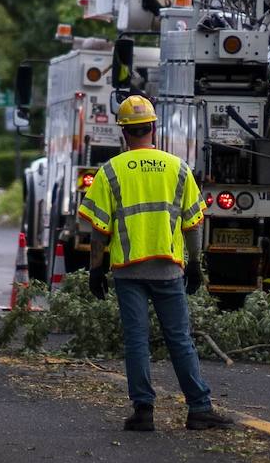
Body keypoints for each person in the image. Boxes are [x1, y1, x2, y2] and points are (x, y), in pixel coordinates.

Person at [79, 93, 233, 433]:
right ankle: (199, 409)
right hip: (168, 269)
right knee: (179, 338)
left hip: (128, 269)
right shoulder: (177, 168)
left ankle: (144, 411)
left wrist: (95, 269)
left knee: (136, 339)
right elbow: (194, 223)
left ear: (124, 133)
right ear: (153, 127)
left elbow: (98, 230)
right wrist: (194, 264)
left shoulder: (110, 171)